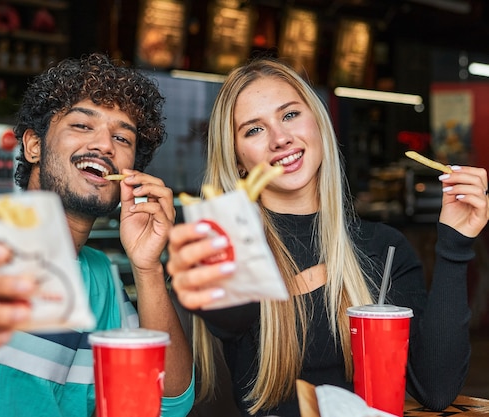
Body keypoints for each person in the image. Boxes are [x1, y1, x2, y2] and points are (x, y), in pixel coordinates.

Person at [166, 56, 489, 417]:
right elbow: (231, 317)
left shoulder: (385, 250)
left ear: (318, 123)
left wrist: (455, 244)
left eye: (290, 115)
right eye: (253, 130)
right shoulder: (233, 247)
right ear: (239, 159)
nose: (280, 138)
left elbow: (436, 389)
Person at [0, 53, 194, 417]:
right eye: (82, 125)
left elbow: (167, 402)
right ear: (33, 146)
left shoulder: (103, 280)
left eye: (123, 138)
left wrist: (148, 267)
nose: (106, 145)